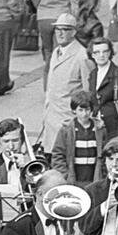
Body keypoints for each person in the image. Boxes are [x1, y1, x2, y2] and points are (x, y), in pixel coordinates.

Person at [40, 13, 88, 151]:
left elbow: (87, 90)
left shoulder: (82, 55)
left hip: (67, 118)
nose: (60, 33)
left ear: (73, 32)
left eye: (65, 29)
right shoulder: (56, 52)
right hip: (51, 117)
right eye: (57, 29)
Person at [51, 90, 105, 187]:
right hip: (73, 180)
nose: (84, 114)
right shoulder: (66, 130)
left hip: (94, 179)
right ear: (74, 110)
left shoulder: (100, 130)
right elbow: (57, 155)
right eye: (80, 110)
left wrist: (102, 174)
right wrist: (65, 175)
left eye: (87, 110)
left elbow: (105, 154)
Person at [86, 37, 118, 139]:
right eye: (97, 52)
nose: (101, 55)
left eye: (105, 51)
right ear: (92, 55)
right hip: (96, 125)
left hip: (114, 126)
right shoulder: (93, 74)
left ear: (110, 53)